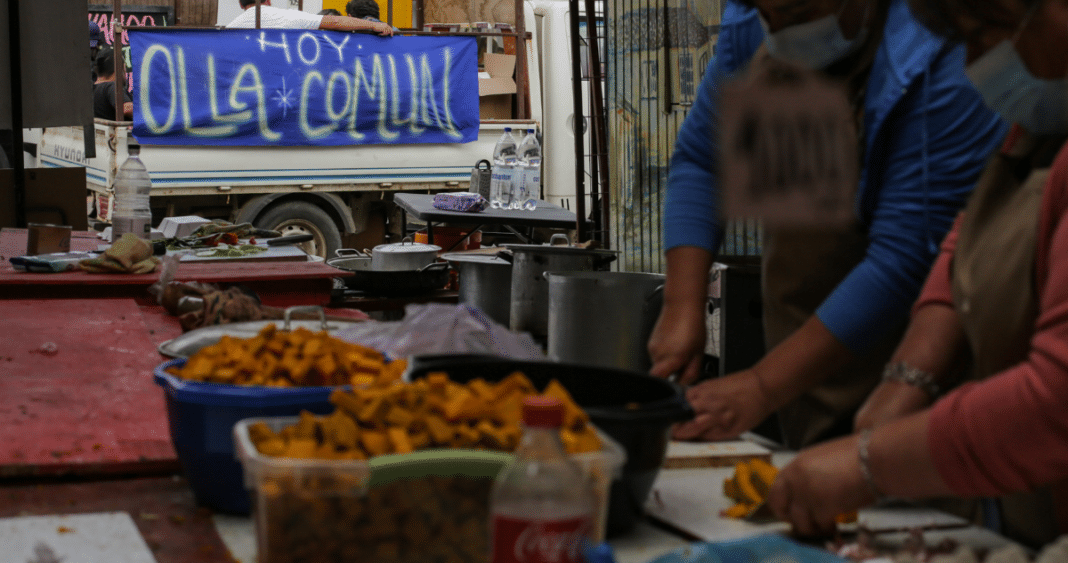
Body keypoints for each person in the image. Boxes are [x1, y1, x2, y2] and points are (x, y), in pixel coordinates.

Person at [767, 0, 1068, 546]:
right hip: (1024, 508)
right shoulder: (1042, 114)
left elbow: (1057, 402)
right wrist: (909, 374)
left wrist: (869, 464)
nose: (975, 62)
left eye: (986, 32)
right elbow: (969, 232)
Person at [646, 0, 1007, 449]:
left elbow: (902, 260)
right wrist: (682, 304)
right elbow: (704, 159)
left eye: (796, 16)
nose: (778, 34)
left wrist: (761, 386)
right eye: (766, 14)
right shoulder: (755, 24)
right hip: (800, 371)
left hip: (911, 368)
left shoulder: (943, 60)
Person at [226, 0, 393, 35]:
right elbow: (334, 21)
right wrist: (372, 25)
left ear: (241, 5)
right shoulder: (284, 16)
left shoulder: (230, 28)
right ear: (268, 1)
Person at [93, 47, 132, 121]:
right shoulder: (111, 87)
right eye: (124, 67)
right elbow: (126, 109)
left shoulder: (91, 89)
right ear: (119, 68)